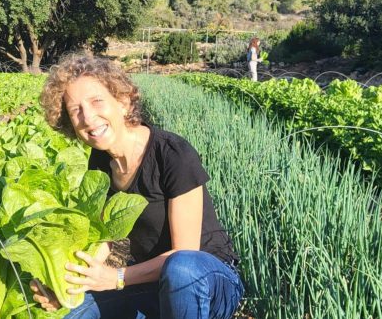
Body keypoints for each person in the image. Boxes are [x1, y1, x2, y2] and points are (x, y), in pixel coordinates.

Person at [33, 54, 244, 319]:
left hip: (209, 282)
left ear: (122, 101)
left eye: (97, 101)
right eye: (76, 110)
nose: (88, 117)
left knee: (180, 267)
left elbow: (186, 252)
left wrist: (117, 277)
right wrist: (72, 284)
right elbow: (105, 235)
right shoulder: (99, 161)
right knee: (73, 315)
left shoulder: (172, 153)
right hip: (151, 283)